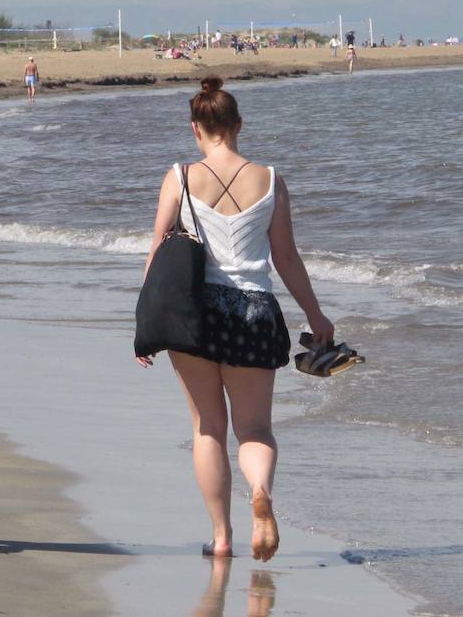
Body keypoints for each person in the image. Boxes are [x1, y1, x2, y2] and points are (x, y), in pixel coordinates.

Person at [136, 76, 334, 562]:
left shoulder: (180, 177)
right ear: (239, 124)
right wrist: (316, 315)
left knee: (208, 428)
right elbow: (286, 260)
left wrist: (145, 325)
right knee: (256, 431)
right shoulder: (269, 178)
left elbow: (159, 253)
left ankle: (222, 538)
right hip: (254, 313)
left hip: (194, 318)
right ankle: (260, 492)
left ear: (195, 128)